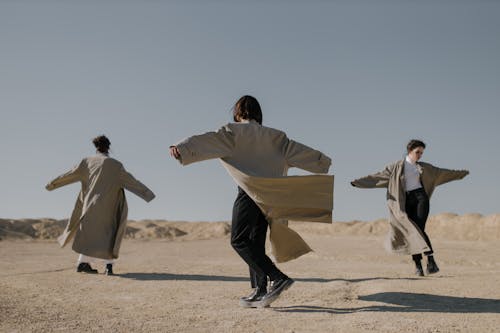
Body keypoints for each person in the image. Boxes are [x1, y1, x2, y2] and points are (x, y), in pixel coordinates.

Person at [170, 95, 333, 308]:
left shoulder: (233, 132)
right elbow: (300, 152)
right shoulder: (277, 137)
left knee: (238, 240)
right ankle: (259, 289)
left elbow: (205, 140)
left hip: (249, 193)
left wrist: (181, 148)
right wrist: (323, 162)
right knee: (255, 243)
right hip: (271, 198)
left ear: (238, 113)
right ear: (259, 114)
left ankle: (278, 277)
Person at [351, 139, 469, 276]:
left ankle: (430, 260)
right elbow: (377, 177)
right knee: (411, 231)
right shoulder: (396, 167)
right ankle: (418, 265)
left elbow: (442, 173)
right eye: (417, 152)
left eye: (422, 153)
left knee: (418, 228)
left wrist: (460, 174)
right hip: (405, 200)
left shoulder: (425, 167)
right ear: (409, 151)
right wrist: (358, 183)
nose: (419, 155)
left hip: (421, 198)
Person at [46, 135, 155, 275]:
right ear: (108, 147)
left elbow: (69, 175)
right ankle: (108, 267)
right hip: (108, 207)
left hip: (89, 206)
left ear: (96, 147)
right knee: (109, 235)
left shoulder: (86, 162)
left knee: (89, 234)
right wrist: (148, 194)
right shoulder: (116, 165)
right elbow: (132, 181)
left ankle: (82, 264)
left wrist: (52, 184)